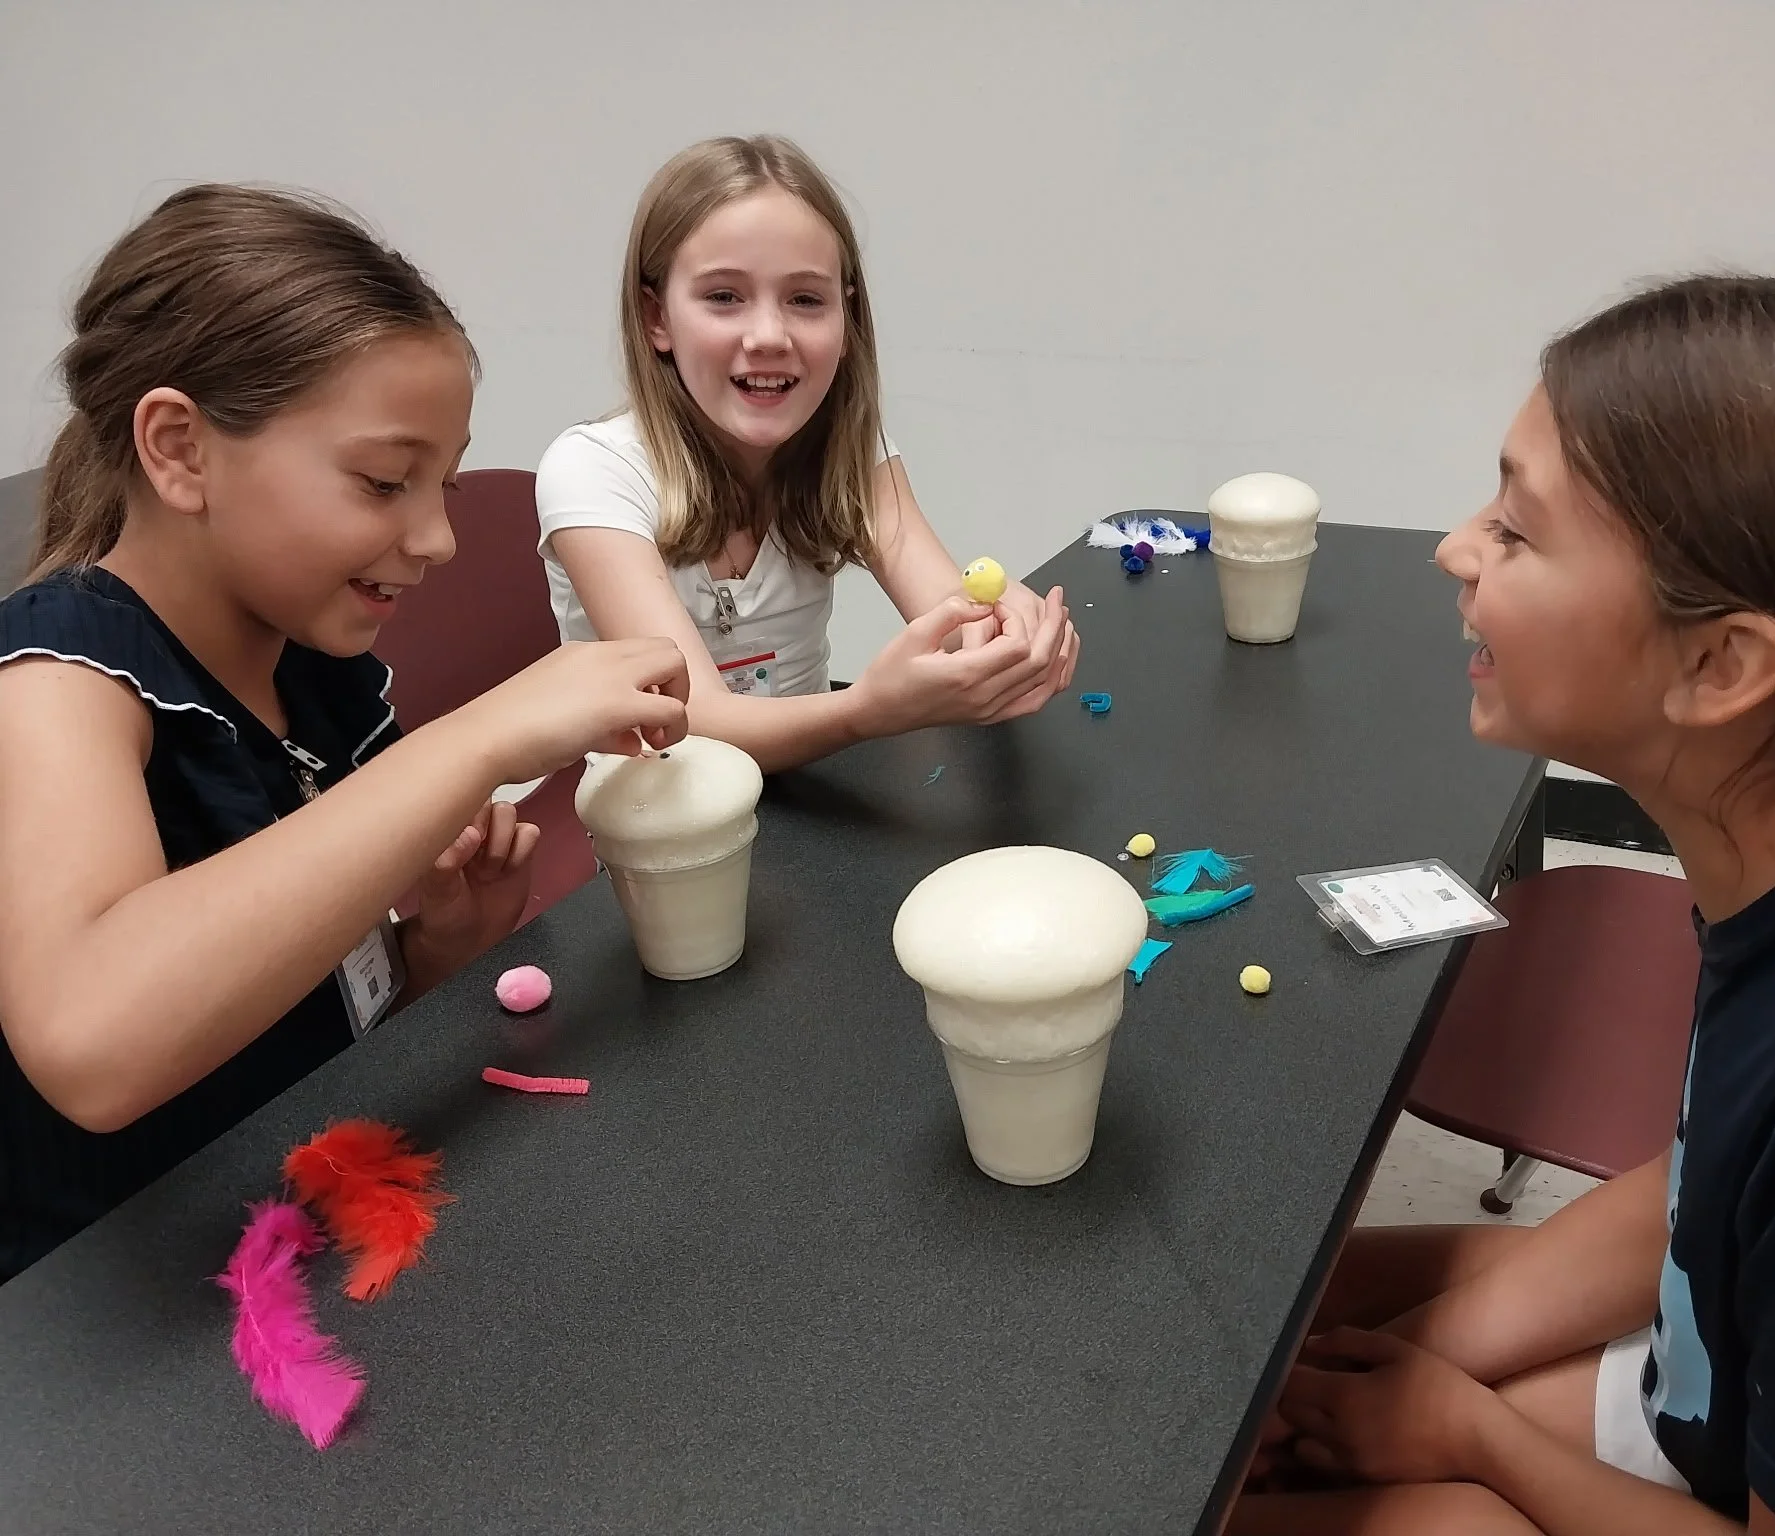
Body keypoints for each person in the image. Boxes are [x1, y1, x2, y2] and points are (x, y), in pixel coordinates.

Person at [1234, 276, 1775, 1534]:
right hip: (1710, 1394)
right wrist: (1419, 1351)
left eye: (1513, 530)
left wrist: (1473, 1438)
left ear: (1721, 666)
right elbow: (1712, 1184)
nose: (1455, 550)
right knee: (1251, 1328)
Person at [0, 185, 689, 1282]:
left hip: (311, 1231)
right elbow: (94, 1043)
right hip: (121, 1332)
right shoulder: (54, 677)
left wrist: (432, 955)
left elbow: (285, 1007)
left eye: (445, 485)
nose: (438, 537)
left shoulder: (317, 679)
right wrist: (475, 740)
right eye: (383, 482)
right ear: (180, 449)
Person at [538, 135, 1079, 773]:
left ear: (845, 320)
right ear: (656, 317)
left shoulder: (852, 448)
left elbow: (947, 614)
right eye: (723, 297)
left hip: (808, 804)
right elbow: (692, 722)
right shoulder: (593, 471)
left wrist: (1003, 637)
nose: (769, 336)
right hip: (652, 826)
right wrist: (866, 711)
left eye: (805, 299)